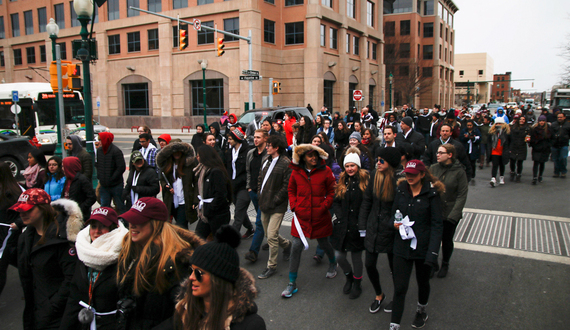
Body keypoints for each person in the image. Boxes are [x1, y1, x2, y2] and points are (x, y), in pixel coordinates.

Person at [116, 197, 204, 330]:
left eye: (138, 221)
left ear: (155, 224)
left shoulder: (175, 263)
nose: (132, 225)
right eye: (131, 220)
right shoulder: (131, 253)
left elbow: (187, 313)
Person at [13, 189, 83, 330]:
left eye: (28, 210)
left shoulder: (62, 238)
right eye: (20, 210)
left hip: (57, 316)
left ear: (43, 209)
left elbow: (71, 278)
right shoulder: (25, 238)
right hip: (36, 312)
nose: (22, 214)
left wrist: (52, 306)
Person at [172, 225, 266, 330]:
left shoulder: (251, 325)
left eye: (198, 273)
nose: (191, 277)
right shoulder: (184, 310)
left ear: (218, 279)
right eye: (191, 271)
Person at [389, 161, 443, 330]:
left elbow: (436, 225)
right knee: (400, 287)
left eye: (413, 174)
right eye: (407, 174)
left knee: (423, 282)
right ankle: (394, 325)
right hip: (401, 246)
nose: (409, 177)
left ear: (421, 175)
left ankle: (421, 310)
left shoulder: (432, 195)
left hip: (423, 247)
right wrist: (394, 224)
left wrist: (433, 253)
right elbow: (393, 215)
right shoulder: (401, 190)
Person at [59, 207, 129, 330]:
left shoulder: (124, 257)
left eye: (103, 226)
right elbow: (74, 295)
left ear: (113, 229)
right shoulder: (83, 253)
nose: (97, 231)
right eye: (93, 226)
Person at [282, 144, 337, 298]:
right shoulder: (296, 172)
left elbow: (332, 191)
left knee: (324, 243)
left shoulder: (326, 171)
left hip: (320, 216)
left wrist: (325, 206)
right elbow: (291, 190)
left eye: (316, 156)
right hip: (301, 218)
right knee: (296, 246)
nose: (313, 158)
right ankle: (292, 282)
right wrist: (293, 205)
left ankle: (333, 262)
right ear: (303, 157)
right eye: (310, 156)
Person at [358, 147, 401, 313]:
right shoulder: (374, 175)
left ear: (390, 163)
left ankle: (397, 297)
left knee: (395, 269)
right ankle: (379, 294)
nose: (378, 162)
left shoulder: (399, 180)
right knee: (369, 264)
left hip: (391, 230)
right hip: (373, 227)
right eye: (377, 159)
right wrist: (363, 225)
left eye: (381, 160)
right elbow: (367, 201)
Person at [331, 147, 369, 299]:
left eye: (352, 165)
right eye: (347, 166)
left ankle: (357, 284)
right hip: (343, 225)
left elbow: (368, 203)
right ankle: (349, 276)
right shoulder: (342, 181)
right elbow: (337, 202)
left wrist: (363, 223)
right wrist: (339, 217)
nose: (350, 168)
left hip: (358, 227)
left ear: (358, 166)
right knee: (339, 256)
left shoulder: (365, 182)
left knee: (356, 258)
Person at [256, 135, 293, 279]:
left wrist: (275, 200)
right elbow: (260, 178)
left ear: (277, 148)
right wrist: (260, 194)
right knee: (268, 233)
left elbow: (286, 186)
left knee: (271, 236)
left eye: (269, 145)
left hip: (277, 206)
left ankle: (271, 266)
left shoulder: (286, 163)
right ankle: (287, 244)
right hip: (264, 203)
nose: (267, 147)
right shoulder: (266, 160)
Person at [428, 144, 468, 278]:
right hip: (434, 211)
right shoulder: (433, 168)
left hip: (449, 212)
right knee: (433, 239)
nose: (437, 155)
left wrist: (454, 215)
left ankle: (445, 263)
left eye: (441, 153)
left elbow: (462, 195)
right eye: (437, 152)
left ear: (450, 155)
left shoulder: (459, 171)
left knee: (446, 240)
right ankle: (433, 263)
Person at [194, 145, 233, 240]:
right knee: (197, 239)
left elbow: (221, 194)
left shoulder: (216, 172)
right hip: (206, 212)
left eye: (199, 155)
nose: (197, 157)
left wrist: (211, 208)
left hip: (217, 214)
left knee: (219, 243)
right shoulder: (202, 169)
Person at [157, 142, 198, 229]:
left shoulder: (189, 165)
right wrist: (166, 186)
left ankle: (184, 242)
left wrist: (195, 200)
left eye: (179, 151)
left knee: (181, 226)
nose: (177, 153)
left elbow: (196, 182)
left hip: (184, 200)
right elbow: (162, 179)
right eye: (174, 151)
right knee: (172, 226)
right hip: (171, 200)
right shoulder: (167, 165)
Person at [226, 127, 255, 238]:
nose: (228, 141)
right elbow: (228, 168)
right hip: (233, 186)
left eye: (230, 139)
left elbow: (249, 171)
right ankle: (250, 229)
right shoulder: (229, 152)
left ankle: (231, 238)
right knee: (241, 210)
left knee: (238, 212)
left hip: (244, 186)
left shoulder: (248, 151)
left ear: (237, 139)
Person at [0, 162, 24, 298]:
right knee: (15, 259)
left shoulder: (16, 191)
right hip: (6, 234)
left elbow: (26, 212)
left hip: (8, 235)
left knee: (2, 265)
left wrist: (18, 223)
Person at [244, 129, 268, 263]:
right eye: (255, 137)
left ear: (265, 139)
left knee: (259, 222)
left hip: (264, 194)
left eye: (259, 137)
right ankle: (282, 242)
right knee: (265, 222)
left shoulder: (268, 155)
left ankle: (253, 251)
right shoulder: (251, 153)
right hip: (253, 191)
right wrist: (248, 187)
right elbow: (248, 171)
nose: (256, 139)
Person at [96, 132, 126, 213]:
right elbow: (98, 165)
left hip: (116, 185)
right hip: (104, 185)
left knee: (120, 205)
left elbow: (121, 167)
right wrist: (100, 177)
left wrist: (112, 179)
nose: (98, 142)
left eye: (100, 140)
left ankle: (124, 222)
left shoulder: (116, 151)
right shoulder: (99, 151)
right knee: (104, 207)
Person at [61, 156, 97, 221]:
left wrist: (80, 208)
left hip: (80, 216)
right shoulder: (68, 180)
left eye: (64, 166)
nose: (62, 169)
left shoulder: (82, 180)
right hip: (68, 214)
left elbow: (92, 197)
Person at [488, 117, 511, 187]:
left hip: (503, 151)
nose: (498, 125)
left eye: (500, 123)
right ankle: (493, 178)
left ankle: (501, 177)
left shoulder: (507, 132)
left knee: (502, 165)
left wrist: (509, 149)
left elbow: (510, 141)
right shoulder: (492, 132)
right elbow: (489, 142)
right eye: (497, 123)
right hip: (494, 151)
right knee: (494, 165)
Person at [530, 115, 552, 185]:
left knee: (542, 163)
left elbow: (552, 138)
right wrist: (533, 144)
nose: (542, 122)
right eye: (540, 121)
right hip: (536, 148)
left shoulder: (548, 129)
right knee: (536, 163)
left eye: (543, 121)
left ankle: (540, 175)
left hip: (545, 148)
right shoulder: (534, 128)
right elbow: (531, 138)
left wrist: (549, 145)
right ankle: (535, 177)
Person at [509, 116, 531, 182]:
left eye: (523, 119)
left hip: (522, 146)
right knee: (512, 160)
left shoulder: (527, 128)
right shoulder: (513, 127)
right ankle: (512, 172)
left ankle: (518, 174)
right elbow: (510, 136)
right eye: (521, 119)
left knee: (520, 161)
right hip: (513, 146)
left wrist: (528, 140)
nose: (522, 120)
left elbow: (529, 137)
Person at [550, 112, 570, 178]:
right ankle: (556, 172)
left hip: (564, 144)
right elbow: (550, 134)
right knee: (555, 159)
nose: (559, 118)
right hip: (555, 144)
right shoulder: (553, 125)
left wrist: (566, 138)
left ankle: (563, 171)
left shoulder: (568, 125)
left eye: (561, 117)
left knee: (562, 158)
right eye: (558, 117)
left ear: (564, 117)